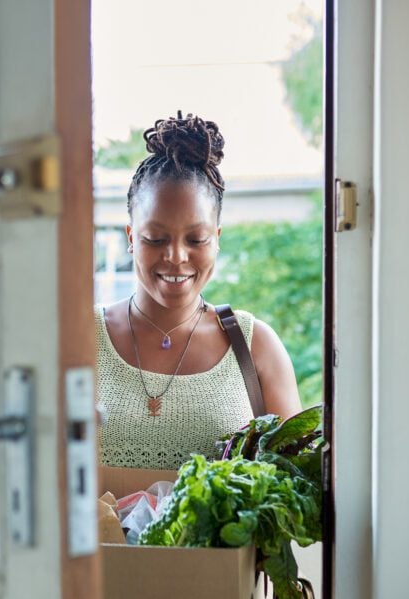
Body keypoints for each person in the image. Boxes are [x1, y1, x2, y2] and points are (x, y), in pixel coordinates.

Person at [96, 112, 303, 471]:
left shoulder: (255, 346)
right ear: (131, 238)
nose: (175, 256)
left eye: (196, 239)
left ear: (217, 239)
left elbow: (297, 482)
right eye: (155, 239)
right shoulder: (82, 339)